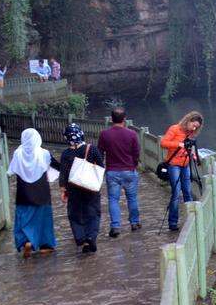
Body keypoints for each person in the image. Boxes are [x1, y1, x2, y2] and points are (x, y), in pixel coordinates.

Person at [8, 128, 58, 257]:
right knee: (43, 218)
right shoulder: (44, 153)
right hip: (42, 192)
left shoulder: (18, 153)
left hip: (23, 192)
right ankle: (45, 246)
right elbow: (57, 166)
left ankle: (26, 241)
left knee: (23, 216)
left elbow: (10, 171)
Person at [58, 123, 104, 254]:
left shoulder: (66, 153)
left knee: (75, 214)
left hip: (73, 189)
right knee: (93, 213)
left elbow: (64, 173)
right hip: (91, 188)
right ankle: (91, 237)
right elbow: (101, 166)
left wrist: (63, 190)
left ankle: (82, 239)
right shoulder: (92, 149)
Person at [98, 106, 141, 237]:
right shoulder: (132, 134)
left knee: (113, 199)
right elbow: (136, 153)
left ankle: (116, 226)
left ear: (111, 119)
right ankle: (134, 222)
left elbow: (100, 152)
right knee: (132, 198)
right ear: (125, 119)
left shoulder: (104, 134)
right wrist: (133, 164)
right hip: (129, 170)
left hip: (112, 171)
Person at [160, 111, 203, 232]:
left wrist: (193, 154)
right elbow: (163, 143)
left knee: (188, 192)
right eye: (193, 125)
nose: (194, 128)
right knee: (176, 193)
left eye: (197, 127)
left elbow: (190, 147)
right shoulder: (175, 128)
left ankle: (190, 221)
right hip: (174, 165)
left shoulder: (191, 133)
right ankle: (173, 222)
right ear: (188, 121)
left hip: (186, 165)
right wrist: (178, 144)